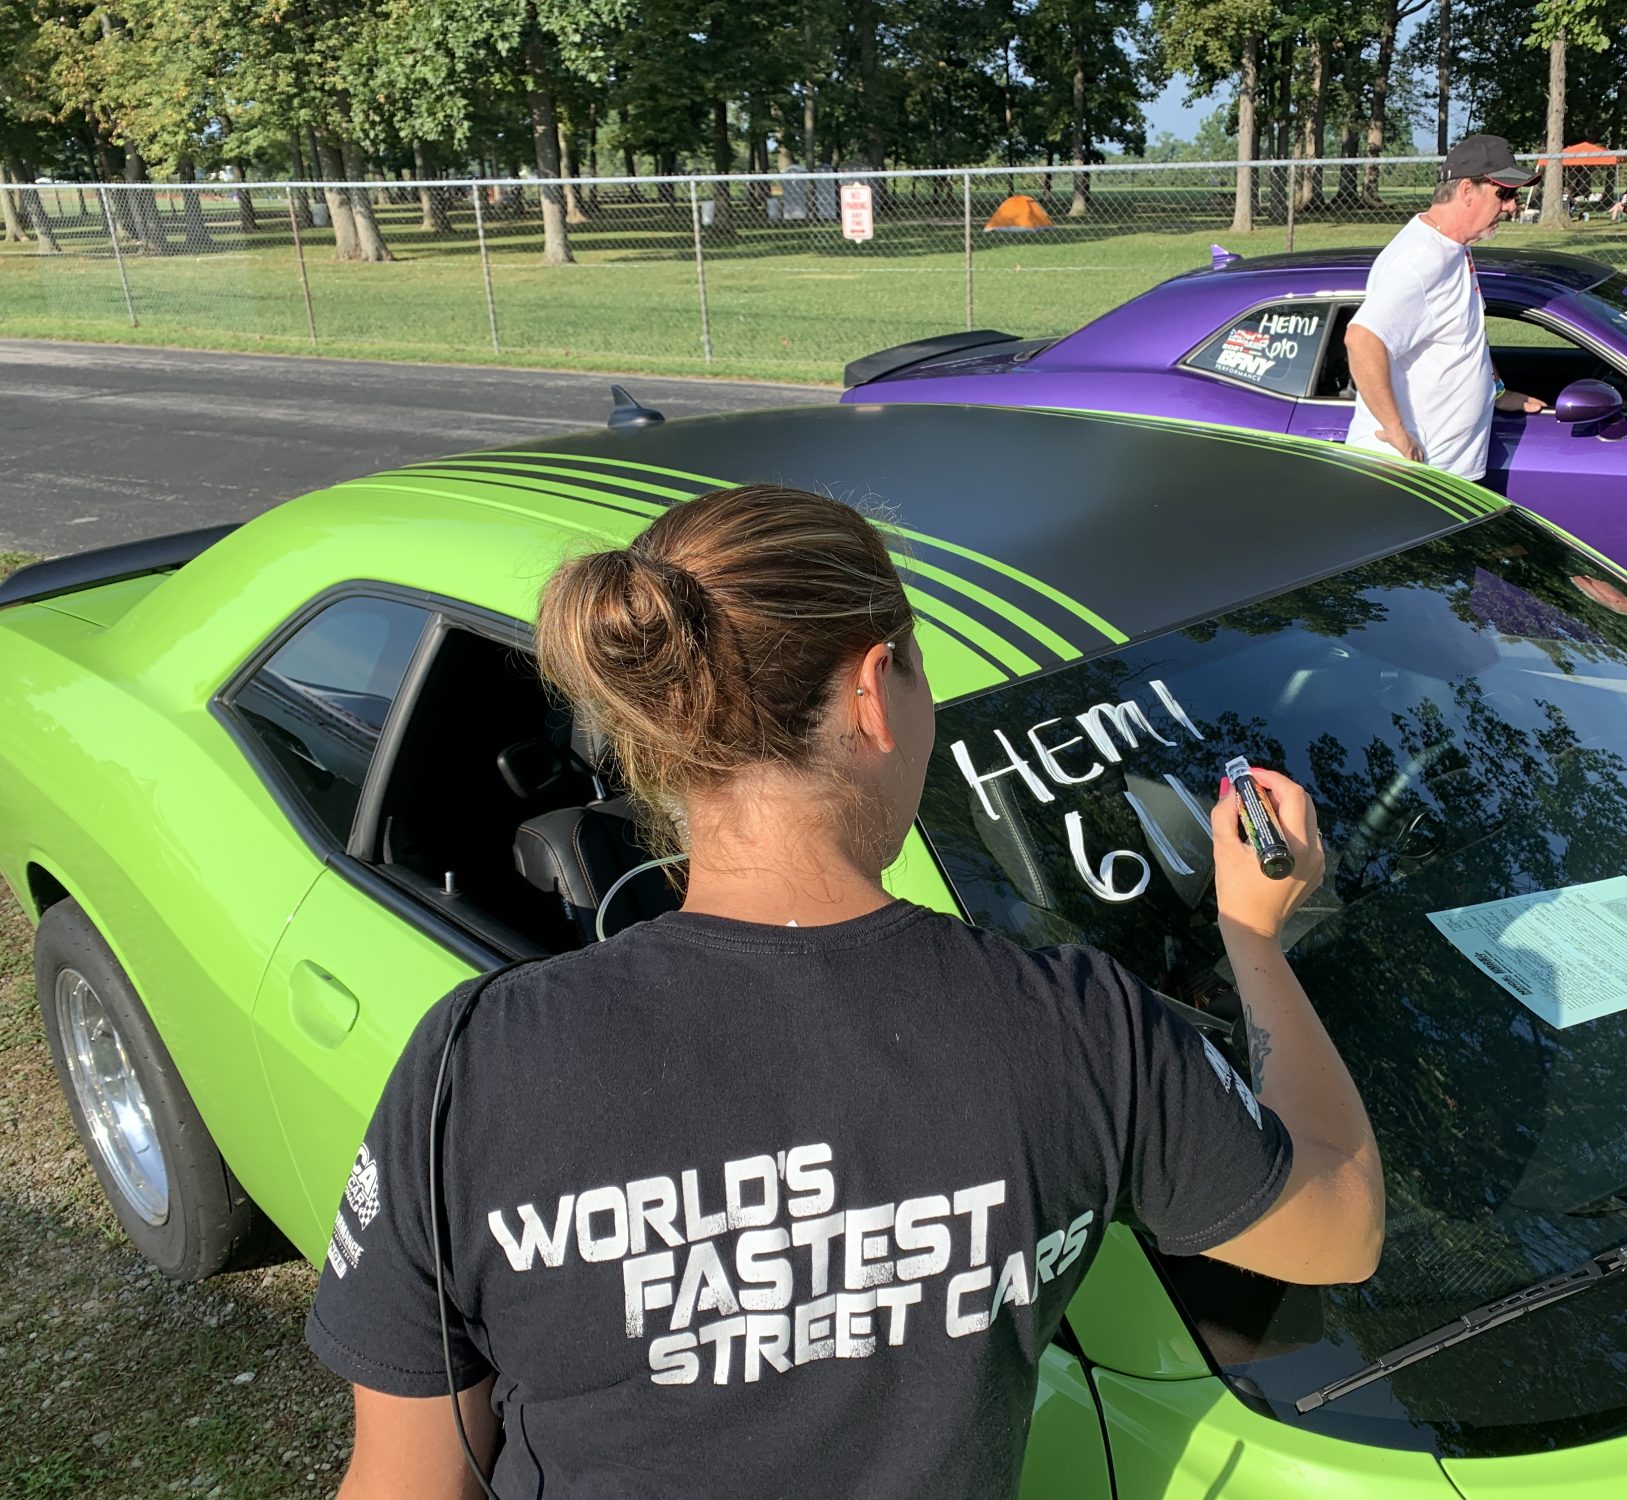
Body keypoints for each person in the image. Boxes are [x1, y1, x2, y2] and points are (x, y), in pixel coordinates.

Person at [305, 484, 1386, 1498]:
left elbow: (406, 1481)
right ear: (874, 692)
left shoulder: (475, 1060)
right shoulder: (1077, 1028)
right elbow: (1338, 1226)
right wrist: (1253, 941)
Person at [1344, 133, 1549, 483]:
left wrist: (1496, 391)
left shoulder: (1453, 248)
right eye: (1504, 193)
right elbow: (1361, 340)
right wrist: (1396, 431)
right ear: (1467, 190)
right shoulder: (1423, 261)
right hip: (1412, 476)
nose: (1512, 206)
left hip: (1441, 473)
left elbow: (1467, 334)